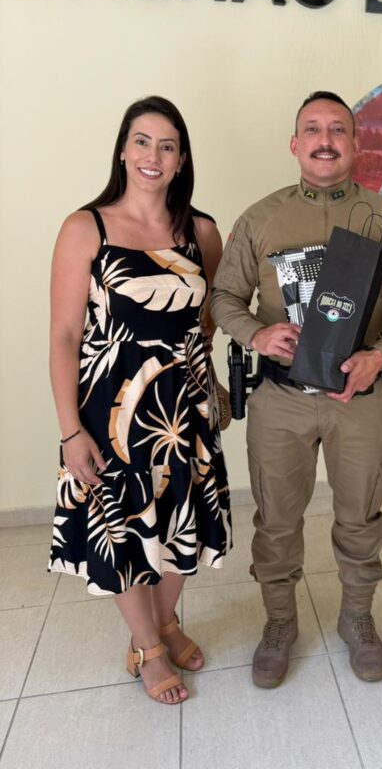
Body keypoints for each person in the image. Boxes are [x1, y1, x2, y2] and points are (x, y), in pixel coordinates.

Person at [210, 91, 382, 687]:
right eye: (312, 129)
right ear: (295, 144)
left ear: (355, 144)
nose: (325, 140)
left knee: (360, 516)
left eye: (338, 129)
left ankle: (357, 617)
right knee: (276, 520)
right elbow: (224, 298)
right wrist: (257, 335)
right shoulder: (259, 219)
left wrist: (381, 354)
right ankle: (279, 623)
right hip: (279, 400)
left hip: (359, 399)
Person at [49, 96, 232, 705]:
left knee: (183, 521)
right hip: (111, 412)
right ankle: (147, 647)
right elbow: (64, 335)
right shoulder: (86, 228)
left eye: (167, 145)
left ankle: (167, 622)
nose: (154, 155)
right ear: (124, 151)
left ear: (181, 160)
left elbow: (207, 319)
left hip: (184, 409)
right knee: (123, 529)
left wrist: (206, 377)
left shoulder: (202, 231)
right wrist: (71, 431)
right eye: (143, 141)